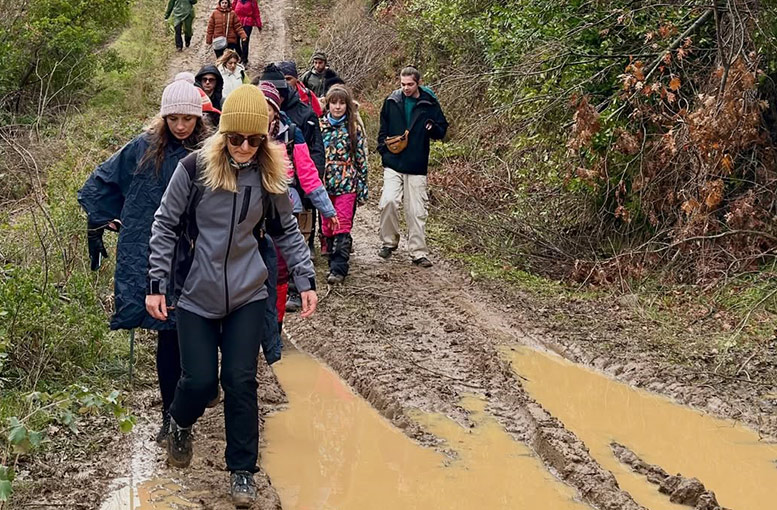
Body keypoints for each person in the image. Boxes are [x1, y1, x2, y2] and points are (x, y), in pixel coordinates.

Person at [145, 85, 317, 507]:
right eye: (236, 138)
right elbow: (164, 224)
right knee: (200, 381)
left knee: (240, 380)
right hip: (196, 294)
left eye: (254, 140)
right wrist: (156, 284)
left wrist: (305, 278)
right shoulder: (194, 169)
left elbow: (286, 230)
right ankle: (179, 422)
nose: (244, 147)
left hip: (247, 293)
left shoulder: (269, 175)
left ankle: (242, 471)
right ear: (223, 135)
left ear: (264, 139)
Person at [78, 72, 211, 445]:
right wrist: (106, 218)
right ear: (164, 117)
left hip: (201, 257)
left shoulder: (211, 150)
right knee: (169, 337)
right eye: (174, 119)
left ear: (198, 118)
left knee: (200, 335)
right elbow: (100, 183)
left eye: (188, 119)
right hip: (157, 255)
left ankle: (198, 393)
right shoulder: (143, 148)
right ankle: (171, 416)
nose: (181, 126)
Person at [260, 81, 338, 327]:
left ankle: (275, 324)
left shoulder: (292, 134)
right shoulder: (241, 137)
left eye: (268, 107)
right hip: (249, 214)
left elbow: (308, 174)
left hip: (283, 209)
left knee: (281, 267)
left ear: (276, 110)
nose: (263, 113)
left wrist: (327, 209)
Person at [377, 66, 448, 267]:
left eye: (410, 84)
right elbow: (383, 128)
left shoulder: (429, 102)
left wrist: (432, 127)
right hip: (393, 162)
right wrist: (383, 149)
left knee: (416, 210)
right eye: (403, 84)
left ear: (418, 83)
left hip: (417, 164)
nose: (406, 88)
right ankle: (388, 242)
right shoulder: (392, 100)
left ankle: (418, 252)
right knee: (388, 201)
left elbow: (442, 130)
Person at [319, 85, 368, 284]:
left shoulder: (354, 128)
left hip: (347, 183)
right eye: (334, 102)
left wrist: (363, 186)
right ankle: (331, 257)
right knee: (327, 225)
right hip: (324, 184)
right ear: (328, 104)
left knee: (342, 223)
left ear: (347, 105)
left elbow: (361, 159)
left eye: (341, 103)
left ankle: (339, 267)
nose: (337, 107)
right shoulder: (320, 126)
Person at [232, 0, 262, 66]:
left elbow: (256, 13)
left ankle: (244, 60)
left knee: (245, 42)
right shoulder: (236, 1)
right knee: (235, 42)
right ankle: (241, 56)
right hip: (237, 23)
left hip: (247, 23)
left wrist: (259, 24)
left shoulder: (253, 2)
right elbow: (232, 10)